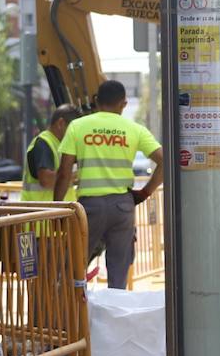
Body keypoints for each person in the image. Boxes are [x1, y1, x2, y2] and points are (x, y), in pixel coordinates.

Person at [52, 81, 163, 291]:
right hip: (122, 207)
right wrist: (145, 192)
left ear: (96, 101)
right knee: (118, 274)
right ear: (124, 104)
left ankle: (70, 319)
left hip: (89, 208)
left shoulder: (78, 126)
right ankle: (114, 318)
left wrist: (56, 207)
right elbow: (165, 161)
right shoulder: (134, 129)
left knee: (72, 268)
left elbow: (64, 172)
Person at [21, 104, 80, 201]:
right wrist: (75, 174)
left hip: (55, 213)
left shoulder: (60, 145)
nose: (75, 134)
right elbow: (46, 180)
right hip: (42, 213)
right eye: (73, 129)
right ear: (60, 123)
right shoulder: (43, 143)